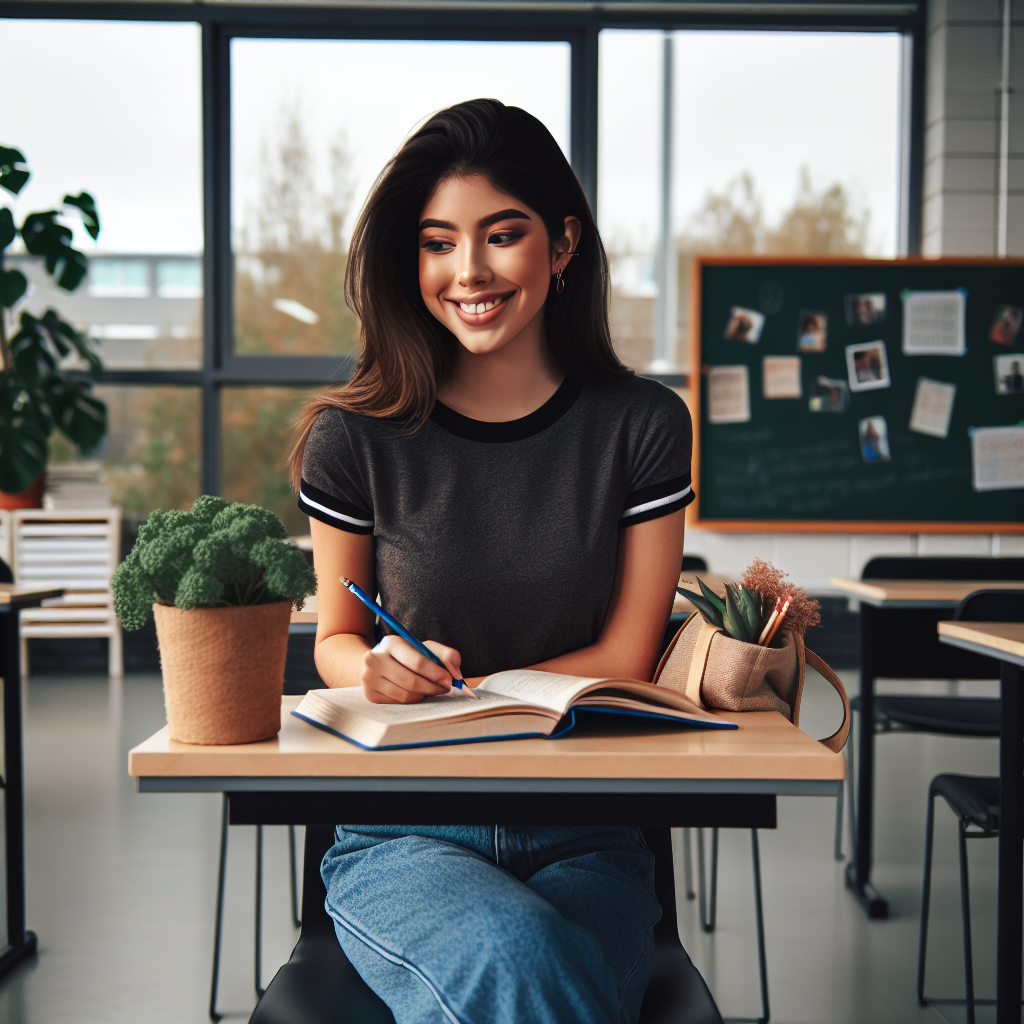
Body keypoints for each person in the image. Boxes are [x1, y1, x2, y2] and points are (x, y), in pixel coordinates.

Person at [289, 99, 693, 1024]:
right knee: (525, 962)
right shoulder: (353, 438)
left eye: (500, 235)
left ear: (561, 245)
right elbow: (338, 640)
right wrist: (379, 670)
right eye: (437, 243)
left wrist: (472, 698)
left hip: (589, 831)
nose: (467, 271)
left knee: (531, 967)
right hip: (401, 834)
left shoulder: (641, 427)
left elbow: (628, 657)